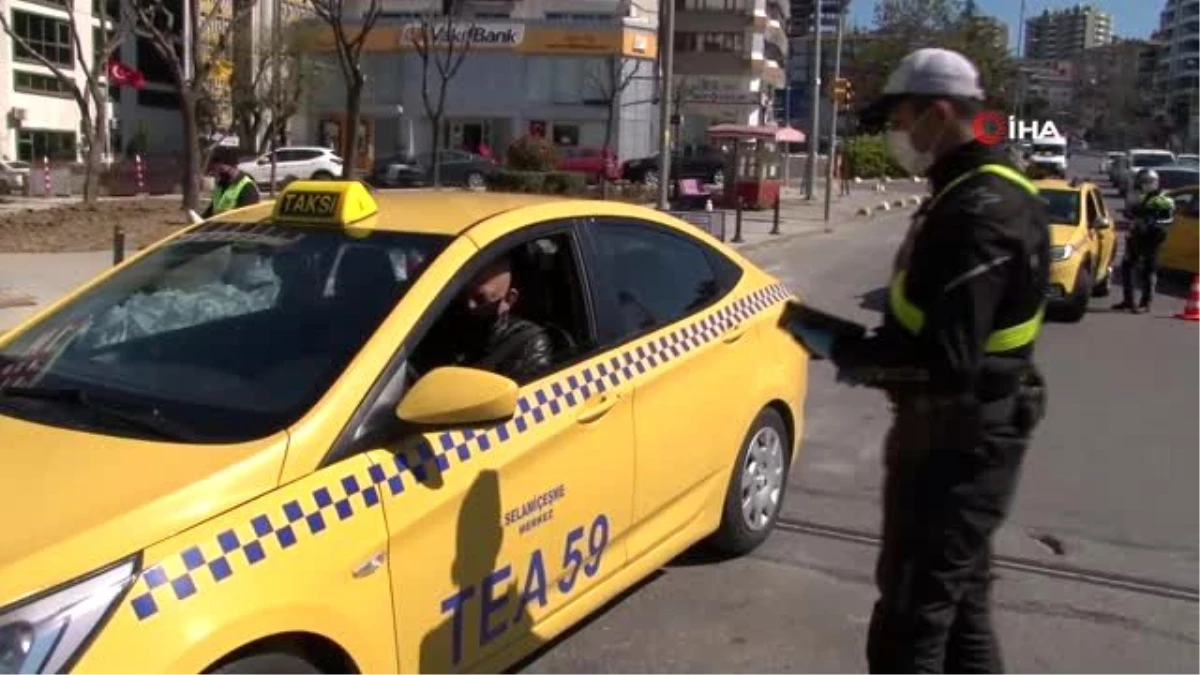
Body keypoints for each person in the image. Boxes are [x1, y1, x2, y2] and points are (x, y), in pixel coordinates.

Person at [791, 48, 1050, 675]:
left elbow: (944, 364)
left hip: (955, 443)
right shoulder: (973, 191)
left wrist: (848, 350)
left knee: (911, 625)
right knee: (961, 610)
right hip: (966, 433)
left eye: (901, 119)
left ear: (938, 113)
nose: (896, 134)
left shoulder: (977, 211)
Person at [446, 256, 554, 383]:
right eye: (465, 294)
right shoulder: (453, 324)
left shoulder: (529, 344)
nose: (469, 305)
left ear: (509, 299)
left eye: (480, 299)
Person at [1114, 168, 1175, 313]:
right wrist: (1133, 217)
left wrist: (1151, 223)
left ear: (1154, 183)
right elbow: (1131, 213)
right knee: (1127, 266)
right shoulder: (1138, 196)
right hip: (1136, 236)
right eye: (1140, 182)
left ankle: (1145, 303)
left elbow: (1167, 220)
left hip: (1153, 238)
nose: (1142, 185)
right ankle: (1128, 300)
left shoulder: (1164, 199)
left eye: (1145, 182)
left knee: (1148, 270)